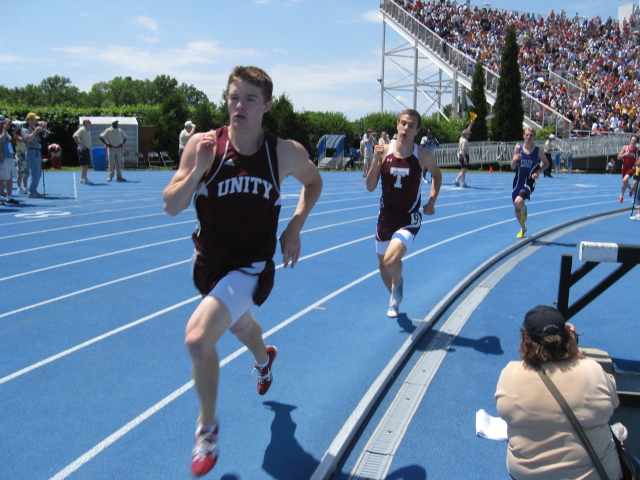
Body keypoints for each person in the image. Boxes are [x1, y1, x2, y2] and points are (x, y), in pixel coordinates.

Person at [162, 65, 322, 477]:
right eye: (234, 97)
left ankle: (207, 429)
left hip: (251, 268)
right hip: (210, 266)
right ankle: (264, 360)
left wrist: (295, 227)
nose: (240, 106)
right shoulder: (204, 146)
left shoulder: (282, 152)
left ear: (266, 105)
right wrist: (196, 170)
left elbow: (314, 183)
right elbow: (171, 205)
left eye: (251, 99)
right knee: (240, 324)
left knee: (198, 339)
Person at [496, 305, 623, 480]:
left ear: (525, 340)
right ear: (568, 336)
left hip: (528, 475)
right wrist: (577, 353)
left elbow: (506, 414)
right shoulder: (592, 370)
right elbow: (614, 402)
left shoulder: (510, 375)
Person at [366, 108, 442, 317]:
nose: (405, 128)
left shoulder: (423, 155)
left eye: (411, 125)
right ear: (397, 125)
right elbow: (370, 186)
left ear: (417, 130)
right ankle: (395, 291)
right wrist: (375, 160)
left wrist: (432, 200)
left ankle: (397, 285)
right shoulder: (384, 151)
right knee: (383, 265)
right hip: (385, 217)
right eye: (403, 123)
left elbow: (437, 175)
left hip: (409, 217)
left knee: (391, 260)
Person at [511, 126, 549, 239]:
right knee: (516, 207)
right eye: (527, 135)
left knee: (518, 201)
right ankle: (523, 228)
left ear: (534, 137)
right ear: (523, 136)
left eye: (531, 135)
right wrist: (514, 160)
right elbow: (512, 167)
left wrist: (538, 171)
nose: (528, 137)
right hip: (518, 181)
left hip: (529, 181)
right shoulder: (518, 148)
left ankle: (523, 207)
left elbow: (546, 163)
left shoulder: (538, 151)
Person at [21, 112, 48, 198]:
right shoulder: (24, 129)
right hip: (31, 151)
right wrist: (35, 131)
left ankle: (34, 190)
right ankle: (31, 191)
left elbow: (45, 136)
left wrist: (44, 128)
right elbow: (27, 139)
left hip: (37, 151)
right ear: (29, 120)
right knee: (34, 173)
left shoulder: (35, 128)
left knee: (38, 173)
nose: (36, 121)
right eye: (35, 119)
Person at [616, 135, 637, 203]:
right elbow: (618, 157)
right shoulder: (625, 147)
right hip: (624, 167)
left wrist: (634, 158)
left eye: (635, 141)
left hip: (632, 168)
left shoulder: (636, 149)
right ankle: (624, 194)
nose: (633, 142)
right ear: (630, 141)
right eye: (632, 140)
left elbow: (638, 159)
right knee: (625, 182)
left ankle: (623, 195)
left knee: (625, 180)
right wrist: (625, 154)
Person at [73, 119, 93, 184]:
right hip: (83, 149)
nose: (89, 123)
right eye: (88, 122)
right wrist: (80, 144)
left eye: (89, 122)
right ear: (85, 123)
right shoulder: (82, 129)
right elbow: (74, 136)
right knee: (84, 164)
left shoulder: (88, 130)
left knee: (86, 165)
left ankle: (84, 178)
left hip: (87, 149)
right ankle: (83, 178)